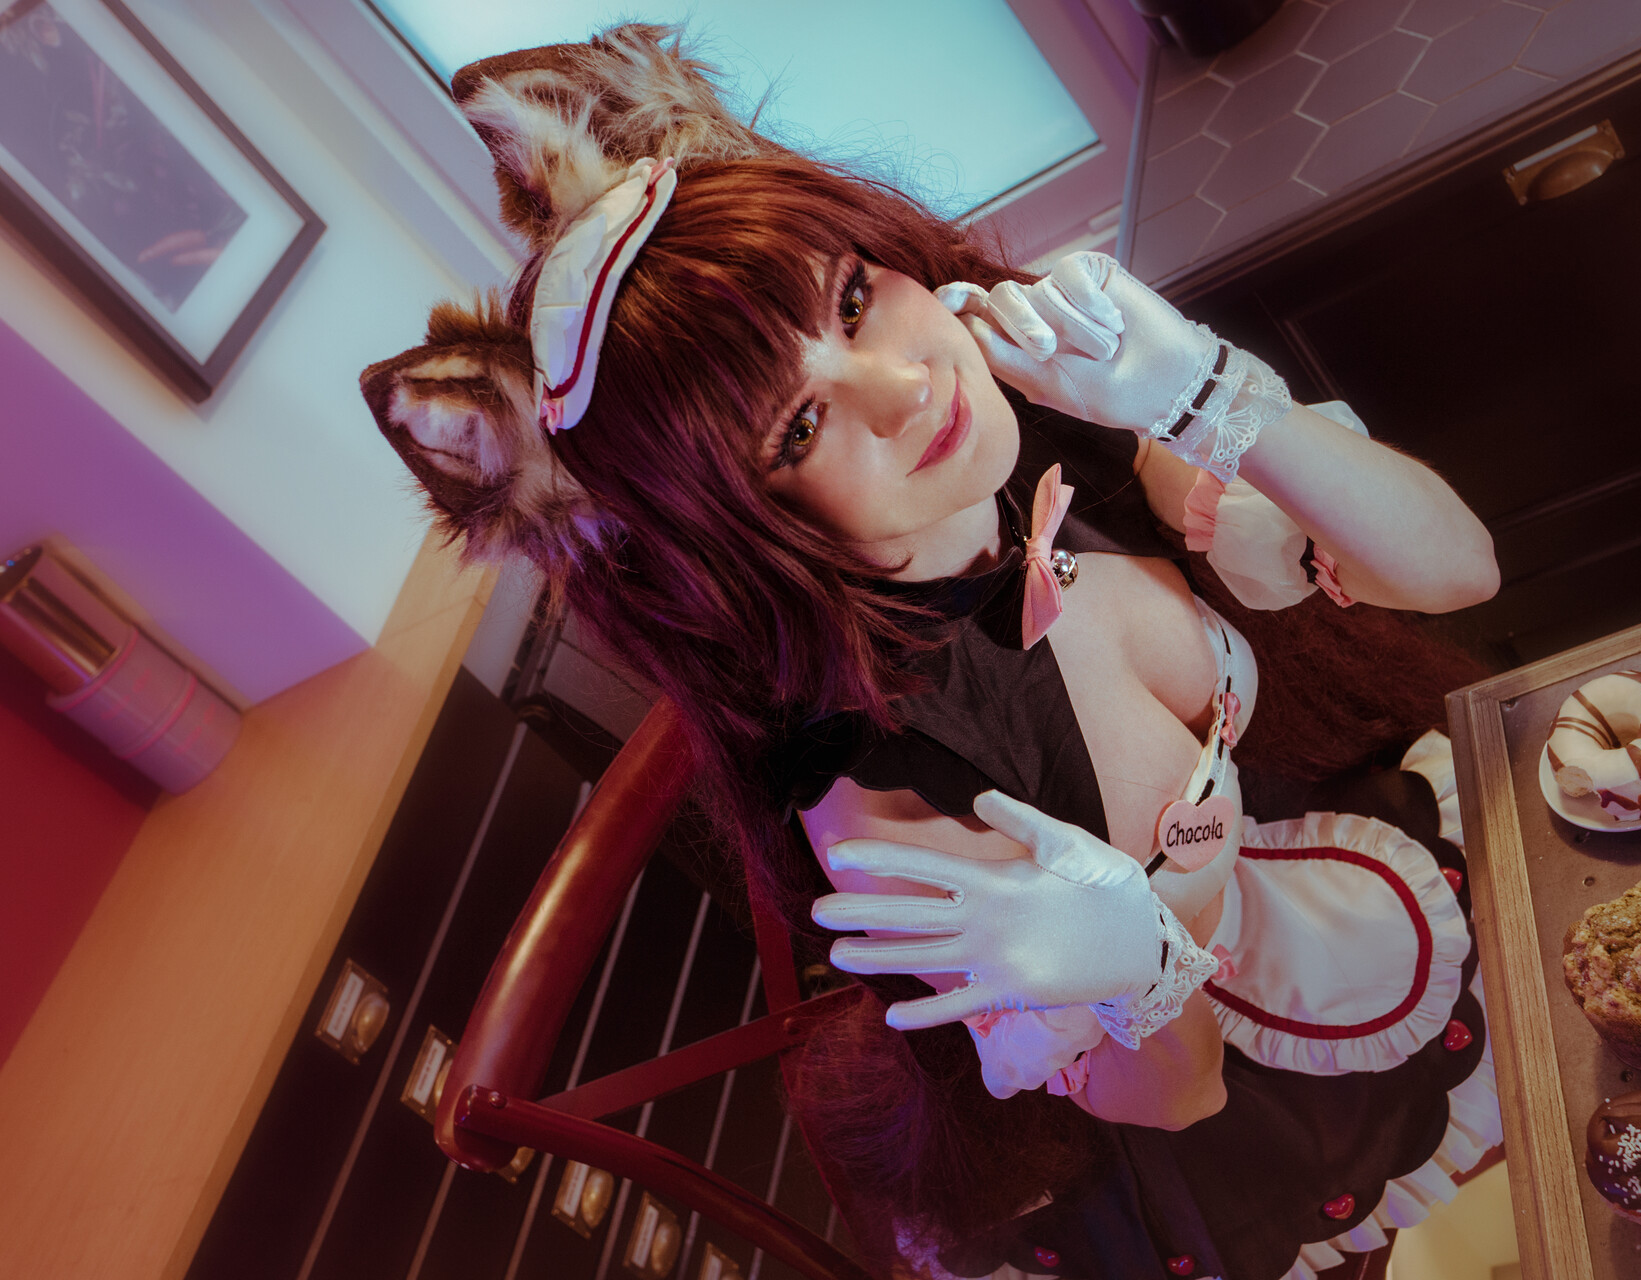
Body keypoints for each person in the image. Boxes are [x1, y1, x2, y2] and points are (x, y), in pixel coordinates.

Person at [362, 25, 1504, 1280]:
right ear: (744, 531)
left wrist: (1200, 393)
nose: (904, 386)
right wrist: (1137, 968)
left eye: (852, 299)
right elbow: (1177, 1096)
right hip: (1271, 1106)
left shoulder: (1038, 412)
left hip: (1362, 848)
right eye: (800, 427)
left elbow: (1454, 568)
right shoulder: (894, 788)